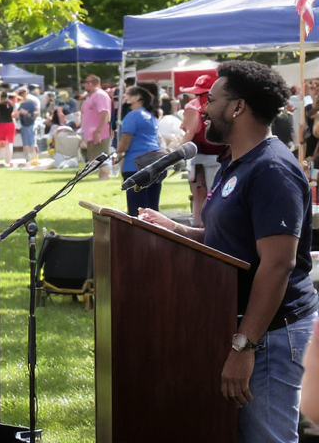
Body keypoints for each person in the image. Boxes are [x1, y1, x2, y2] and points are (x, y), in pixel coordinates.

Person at [138, 61, 315, 443]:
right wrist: (178, 230)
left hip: (273, 335)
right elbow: (232, 241)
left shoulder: (272, 170)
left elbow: (279, 264)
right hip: (243, 328)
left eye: (211, 100)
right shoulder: (234, 162)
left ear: (237, 108)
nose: (202, 109)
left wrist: (243, 346)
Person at [118, 85, 162, 215]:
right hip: (156, 161)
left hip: (135, 164)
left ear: (137, 98)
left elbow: (125, 141)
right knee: (152, 208)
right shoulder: (151, 116)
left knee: (136, 209)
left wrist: (116, 153)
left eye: (127, 94)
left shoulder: (132, 116)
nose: (124, 97)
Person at [81, 75, 114, 180]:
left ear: (91, 83)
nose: (83, 85)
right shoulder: (91, 96)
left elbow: (105, 113)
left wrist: (98, 131)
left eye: (85, 82)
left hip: (100, 133)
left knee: (100, 157)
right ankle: (101, 178)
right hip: (91, 133)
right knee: (93, 157)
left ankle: (104, 178)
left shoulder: (100, 95)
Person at [15, 87, 39, 165]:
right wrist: (31, 116)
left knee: (27, 143)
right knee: (32, 142)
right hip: (30, 123)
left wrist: (26, 114)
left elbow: (18, 114)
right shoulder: (32, 101)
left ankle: (29, 159)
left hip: (26, 124)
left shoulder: (24, 103)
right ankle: (33, 159)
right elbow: (36, 112)